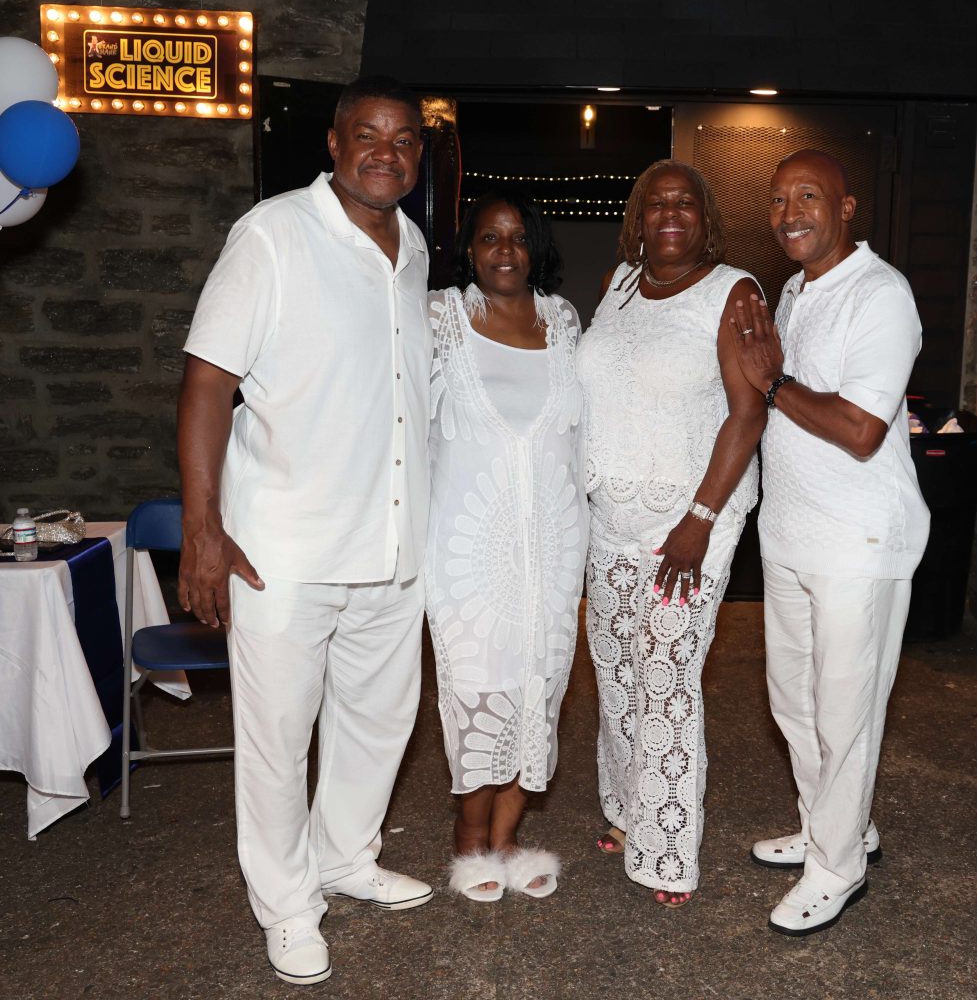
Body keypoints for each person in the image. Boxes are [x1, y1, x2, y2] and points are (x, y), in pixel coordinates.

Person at [177, 76, 434, 986]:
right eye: (367, 135)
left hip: (393, 543)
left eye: (403, 139)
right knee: (279, 738)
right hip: (283, 546)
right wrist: (203, 532)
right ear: (332, 143)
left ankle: (345, 858)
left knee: (377, 723)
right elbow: (209, 381)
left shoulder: (413, 250)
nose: (385, 153)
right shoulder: (273, 234)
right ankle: (287, 905)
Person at [730, 148, 929, 936]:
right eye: (777, 200)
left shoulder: (880, 294)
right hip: (790, 536)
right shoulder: (792, 288)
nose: (789, 214)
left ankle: (836, 867)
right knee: (795, 704)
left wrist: (772, 382)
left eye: (807, 197)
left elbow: (858, 429)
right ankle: (834, 826)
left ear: (847, 207)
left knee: (845, 711)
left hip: (858, 540)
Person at [576, 160, 766, 906]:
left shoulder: (733, 291)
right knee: (617, 676)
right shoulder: (618, 285)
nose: (669, 213)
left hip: (688, 525)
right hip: (609, 521)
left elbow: (747, 414)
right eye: (655, 203)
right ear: (637, 216)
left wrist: (699, 517)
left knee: (665, 682)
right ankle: (626, 812)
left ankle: (665, 847)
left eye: (684, 202)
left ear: (705, 216)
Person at [426, 190, 588, 901]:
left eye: (517, 238)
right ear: (468, 248)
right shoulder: (438, 318)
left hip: (552, 544)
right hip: (464, 547)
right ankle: (468, 845)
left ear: (535, 250)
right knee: (474, 685)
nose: (503, 250)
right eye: (489, 237)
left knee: (539, 687)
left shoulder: (563, 320)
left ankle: (509, 840)